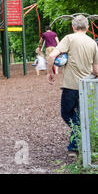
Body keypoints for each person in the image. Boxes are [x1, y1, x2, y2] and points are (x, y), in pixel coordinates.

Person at [46, 15, 98, 156]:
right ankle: (78, 145)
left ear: (73, 27)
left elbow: (52, 56)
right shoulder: (93, 43)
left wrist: (50, 73)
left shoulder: (69, 38)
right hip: (87, 86)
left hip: (71, 86)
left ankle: (77, 141)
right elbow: (96, 69)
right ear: (87, 28)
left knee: (67, 113)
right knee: (82, 115)